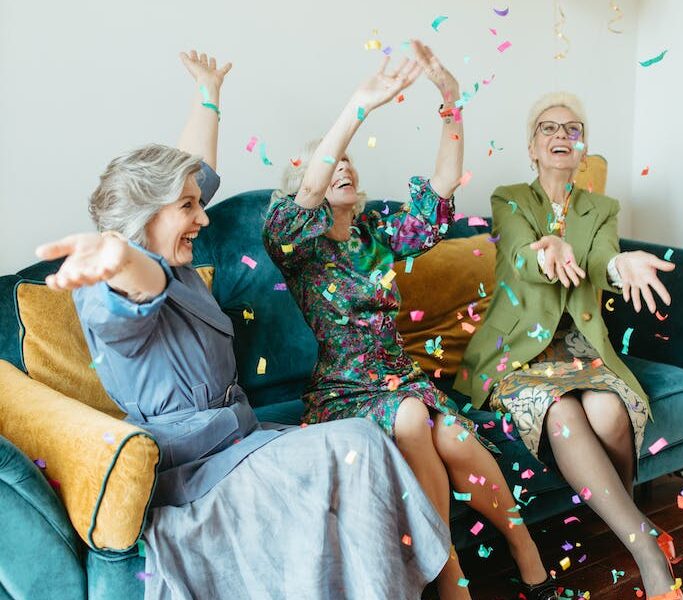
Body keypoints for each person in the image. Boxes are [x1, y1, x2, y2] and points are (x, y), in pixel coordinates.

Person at [36, 50, 451, 600]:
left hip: (243, 438)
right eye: (189, 207)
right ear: (146, 218)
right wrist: (115, 255)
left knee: (362, 449)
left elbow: (195, 169)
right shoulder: (111, 287)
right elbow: (139, 286)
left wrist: (208, 95)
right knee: (357, 445)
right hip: (195, 471)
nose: (203, 217)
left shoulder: (173, 253)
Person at [263, 41, 557, 600]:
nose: (342, 165)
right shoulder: (295, 246)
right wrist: (359, 107)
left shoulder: (376, 235)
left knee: (451, 433)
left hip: (401, 380)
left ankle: (525, 549)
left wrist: (450, 102)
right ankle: (450, 578)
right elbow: (306, 188)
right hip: (345, 391)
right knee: (410, 416)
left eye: (349, 160)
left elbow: (442, 190)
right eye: (331, 162)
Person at [456, 91, 682, 600]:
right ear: (532, 147)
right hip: (521, 353)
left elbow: (604, 257)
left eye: (572, 129)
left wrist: (621, 267)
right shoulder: (509, 198)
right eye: (548, 128)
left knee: (608, 413)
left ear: (583, 148)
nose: (561, 136)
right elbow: (517, 256)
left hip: (581, 347)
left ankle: (619, 525)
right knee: (561, 415)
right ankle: (645, 546)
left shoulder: (602, 208)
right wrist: (547, 251)